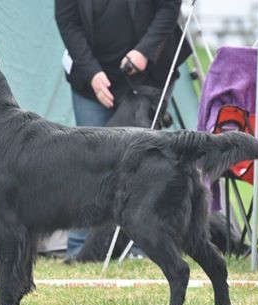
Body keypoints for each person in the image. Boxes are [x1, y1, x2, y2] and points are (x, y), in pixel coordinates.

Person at [54, 0, 192, 258]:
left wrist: (145, 51)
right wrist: (91, 73)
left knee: (143, 164)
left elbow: (168, 9)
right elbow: (67, 22)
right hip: (92, 80)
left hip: (148, 72)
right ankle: (79, 249)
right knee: (88, 161)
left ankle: (142, 246)